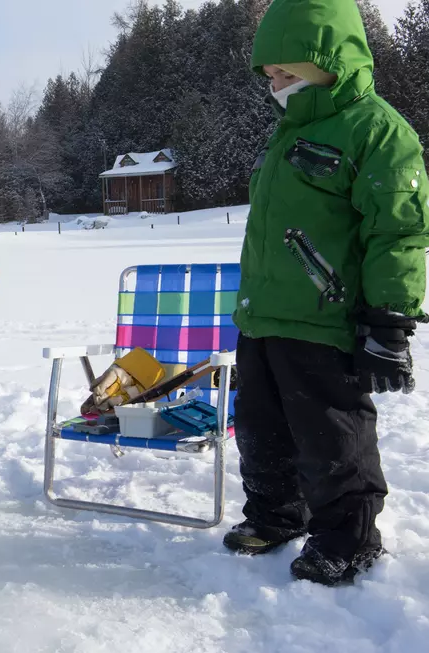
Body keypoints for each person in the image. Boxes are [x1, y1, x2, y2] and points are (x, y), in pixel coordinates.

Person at [226, 0, 429, 586]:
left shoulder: (378, 130)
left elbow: (398, 232)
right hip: (263, 316)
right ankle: (275, 514)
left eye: (287, 73)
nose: (276, 85)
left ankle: (349, 536)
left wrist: (389, 322)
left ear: (330, 63)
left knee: (330, 435)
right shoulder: (289, 133)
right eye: (270, 76)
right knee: (261, 428)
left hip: (325, 317)